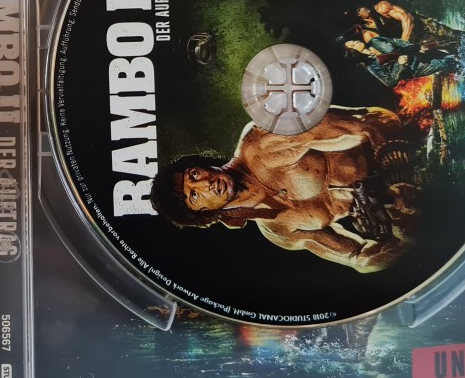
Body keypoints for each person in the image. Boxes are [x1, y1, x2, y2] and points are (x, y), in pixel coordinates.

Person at [150, 106, 418, 273]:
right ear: (204, 214)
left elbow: (371, 122)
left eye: (194, 175)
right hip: (416, 210)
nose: (205, 184)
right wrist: (406, 240)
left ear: (200, 163)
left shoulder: (262, 144)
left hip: (412, 146)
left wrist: (401, 178)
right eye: (194, 195)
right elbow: (359, 258)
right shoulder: (280, 231)